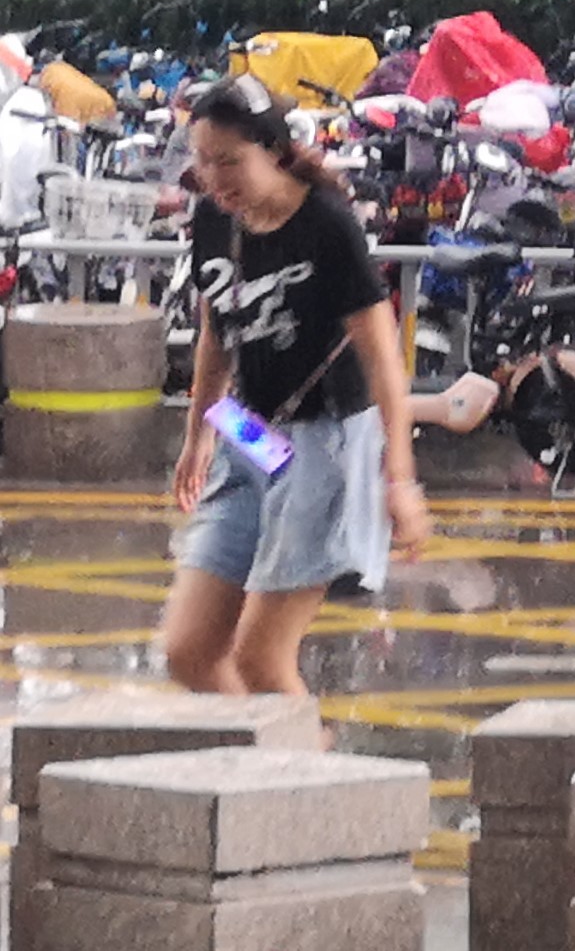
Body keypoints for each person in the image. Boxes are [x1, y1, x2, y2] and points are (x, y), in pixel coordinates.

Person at [163, 75, 430, 698]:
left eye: (229, 162)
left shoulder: (326, 227)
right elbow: (215, 335)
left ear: (275, 151)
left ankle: (303, 781)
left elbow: (382, 358)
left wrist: (399, 478)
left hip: (326, 441)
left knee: (261, 658)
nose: (213, 178)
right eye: (202, 161)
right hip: (246, 431)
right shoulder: (213, 218)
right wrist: (197, 436)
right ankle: (275, 765)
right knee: (190, 651)